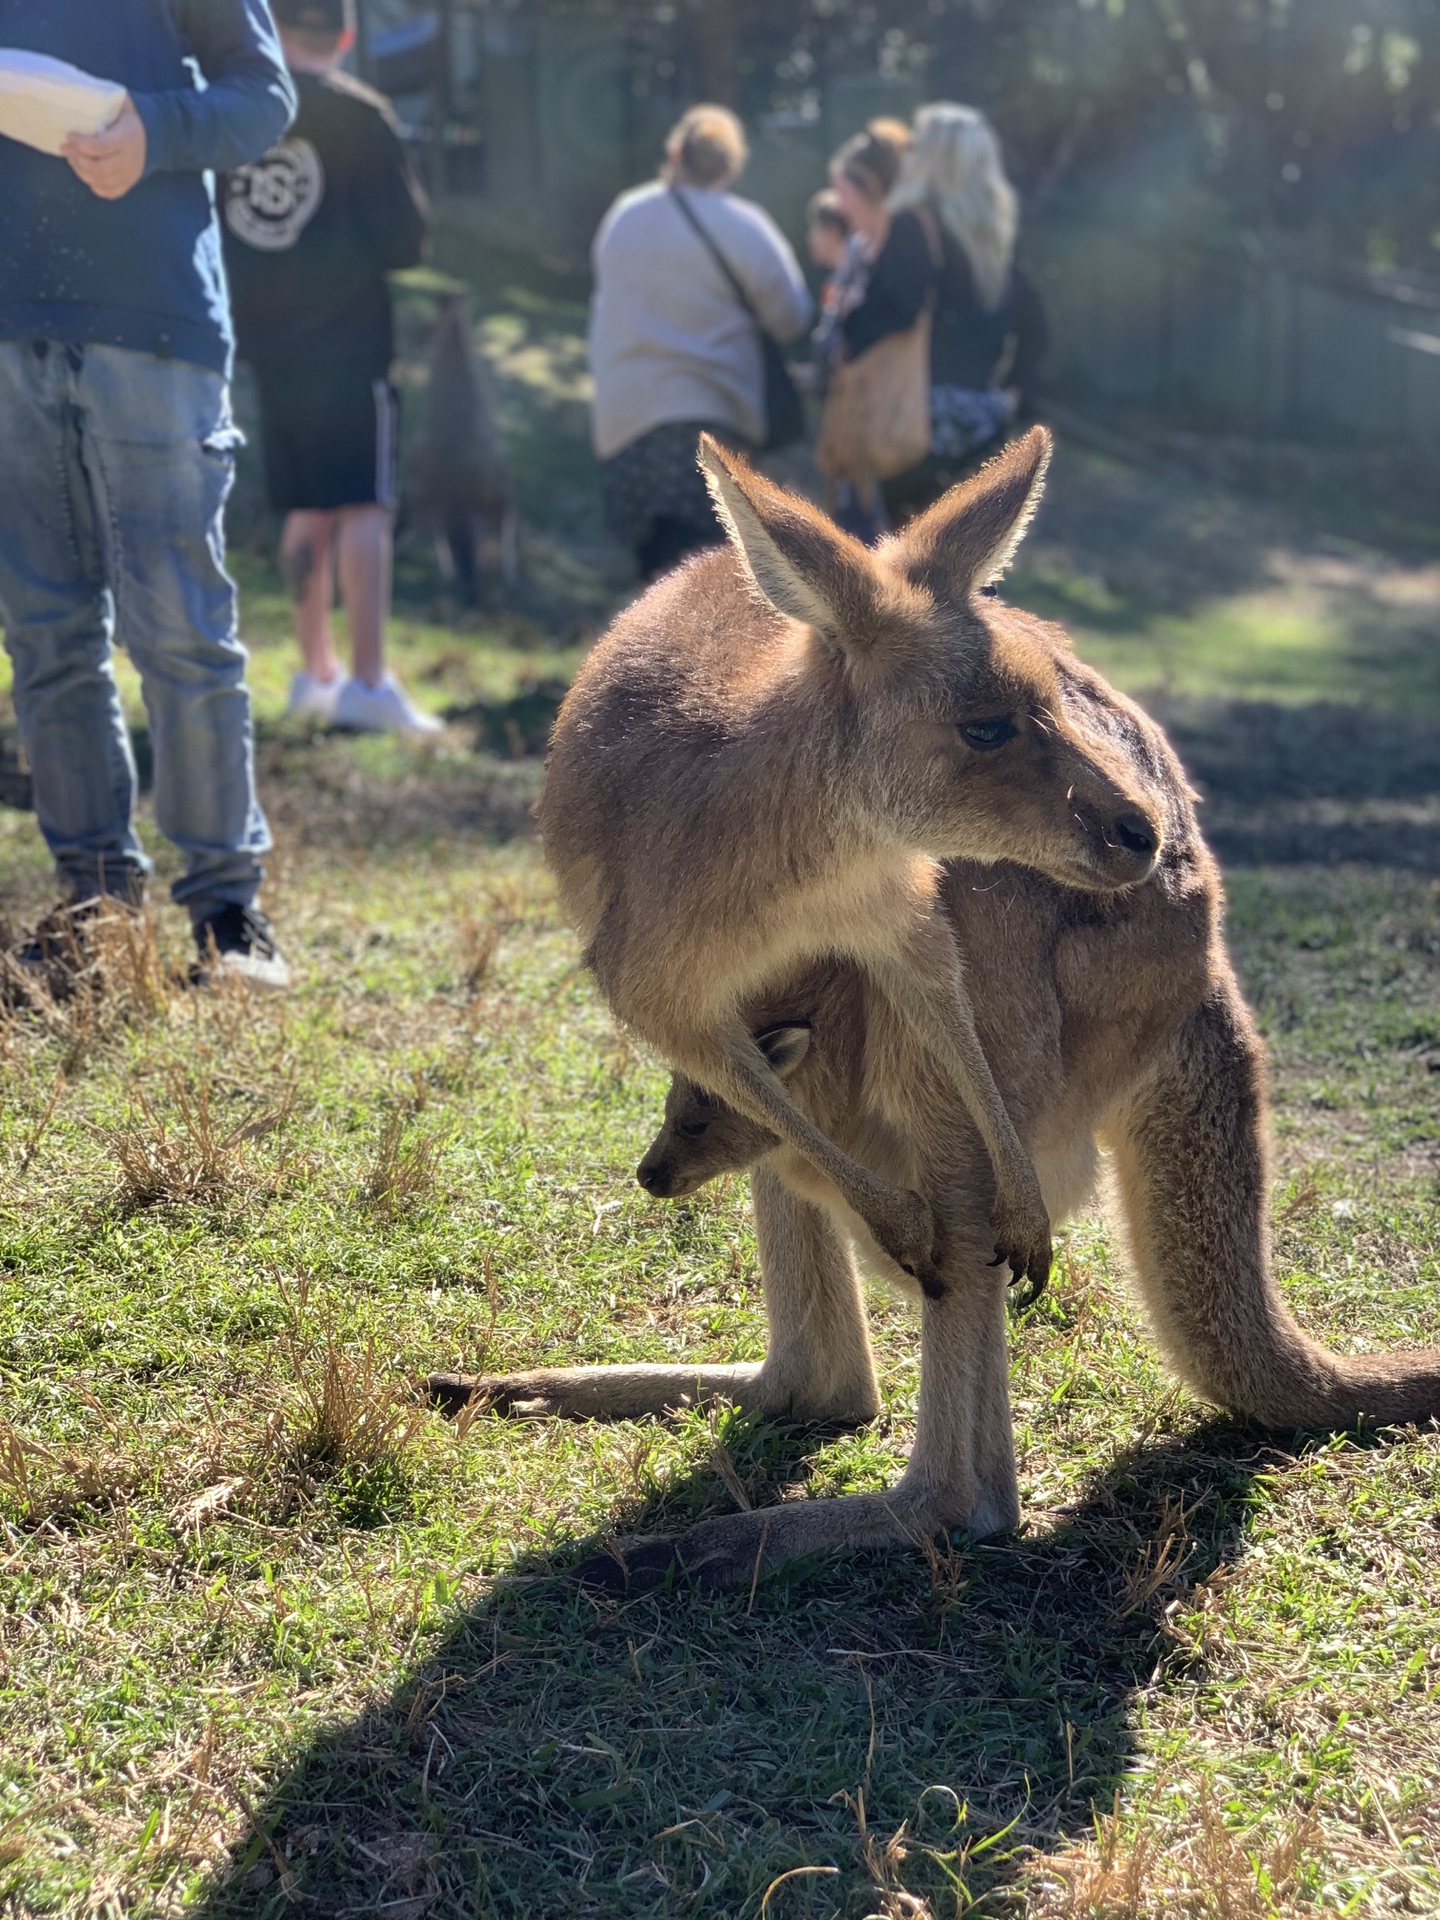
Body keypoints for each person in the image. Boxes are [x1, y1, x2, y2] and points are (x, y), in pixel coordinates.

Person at [0, 0, 296, 990]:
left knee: (178, 630)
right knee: (46, 636)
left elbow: (263, 97)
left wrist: (154, 133)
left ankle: (228, 917)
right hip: (6, 328)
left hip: (156, 324)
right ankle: (94, 912)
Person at [222, 0, 439, 737]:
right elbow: (407, 242)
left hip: (269, 346)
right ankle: (370, 683)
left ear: (273, 31)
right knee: (364, 510)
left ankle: (314, 673)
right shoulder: (362, 116)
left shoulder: (242, 107)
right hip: (350, 344)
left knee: (304, 510)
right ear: (345, 35)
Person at [589, 104, 812, 582]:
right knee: (706, 579)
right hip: (711, 418)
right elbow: (792, 316)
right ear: (732, 166)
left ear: (675, 153)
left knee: (653, 578)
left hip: (624, 422)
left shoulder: (624, 215)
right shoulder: (745, 225)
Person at [880, 103, 1048, 523]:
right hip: (981, 424)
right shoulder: (997, 240)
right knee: (970, 567)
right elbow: (1039, 329)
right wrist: (1013, 396)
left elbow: (891, 316)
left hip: (913, 422)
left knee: (903, 566)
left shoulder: (911, 226)